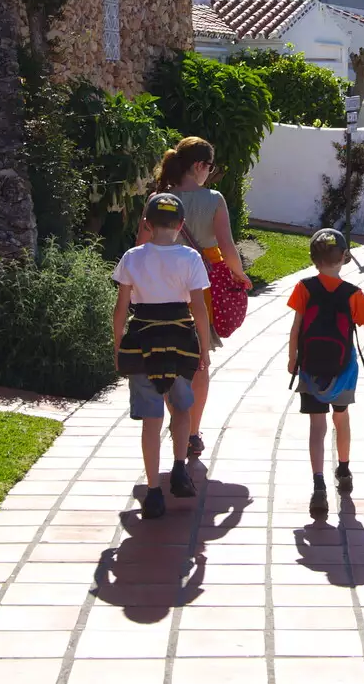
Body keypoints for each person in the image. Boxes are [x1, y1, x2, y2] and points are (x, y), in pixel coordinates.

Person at [145, 137, 250, 461]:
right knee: (199, 358)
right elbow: (227, 247)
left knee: (165, 357)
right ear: (199, 166)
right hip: (200, 288)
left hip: (162, 285)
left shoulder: (159, 199)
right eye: (210, 167)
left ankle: (178, 419)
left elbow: (140, 246)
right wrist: (240, 275)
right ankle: (191, 431)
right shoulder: (214, 199)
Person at [113, 193, 213, 519]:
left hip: (143, 340)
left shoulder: (132, 257)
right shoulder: (190, 259)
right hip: (181, 341)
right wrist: (203, 346)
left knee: (151, 420)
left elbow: (120, 308)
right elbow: (198, 306)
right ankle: (180, 467)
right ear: (181, 226)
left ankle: (154, 490)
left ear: (146, 223)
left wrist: (118, 347)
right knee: (182, 407)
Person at [286, 228, 364, 518]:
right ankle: (344, 469)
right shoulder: (353, 294)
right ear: (345, 258)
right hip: (343, 372)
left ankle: (318, 486)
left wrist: (293, 360)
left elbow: (296, 327)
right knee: (342, 419)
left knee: (317, 427)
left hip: (310, 369)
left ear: (314, 259)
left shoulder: (304, 287)